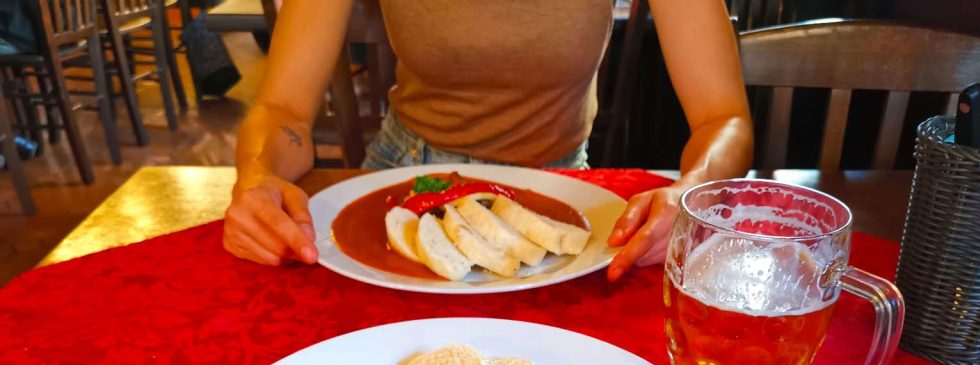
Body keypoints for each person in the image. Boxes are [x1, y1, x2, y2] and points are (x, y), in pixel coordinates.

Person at [224, 0, 753, 281]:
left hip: (559, 192)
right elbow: (282, 108)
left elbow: (723, 118)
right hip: (404, 179)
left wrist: (693, 191)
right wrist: (255, 179)